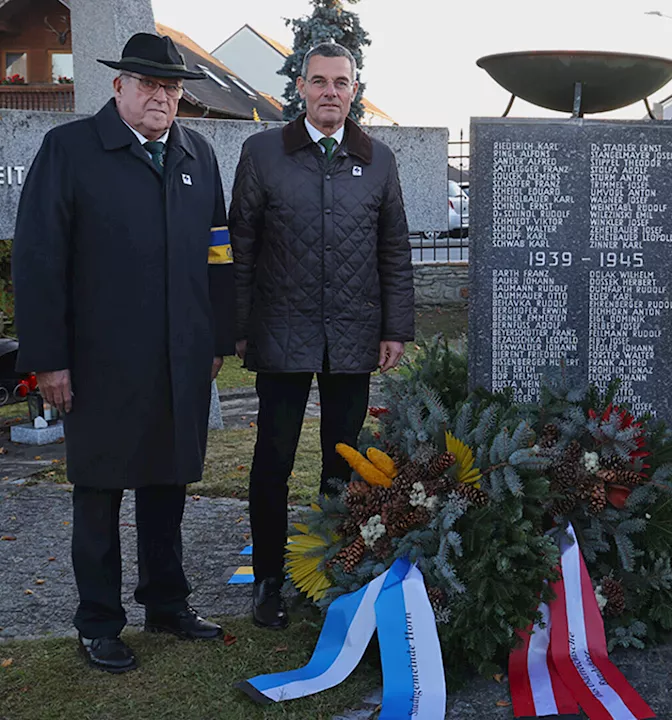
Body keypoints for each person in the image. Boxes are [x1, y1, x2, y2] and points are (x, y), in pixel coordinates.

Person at [12, 33, 234, 673]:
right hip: (100, 360)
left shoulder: (198, 153)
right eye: (148, 84)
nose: (161, 97)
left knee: (168, 482)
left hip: (181, 354)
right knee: (100, 489)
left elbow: (219, 250)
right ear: (119, 88)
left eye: (171, 88)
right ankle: (99, 622)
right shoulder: (70, 150)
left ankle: (166, 602)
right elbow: (38, 260)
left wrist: (218, 337)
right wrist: (48, 359)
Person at [229, 40, 414, 631]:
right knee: (274, 458)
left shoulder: (378, 159)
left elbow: (393, 249)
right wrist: (238, 327)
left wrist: (395, 326)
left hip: (353, 335)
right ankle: (268, 579)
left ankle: (333, 568)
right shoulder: (263, 153)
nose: (329, 91)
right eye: (319, 81)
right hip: (281, 332)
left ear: (354, 91)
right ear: (300, 88)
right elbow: (241, 248)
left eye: (341, 82)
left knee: (343, 458)